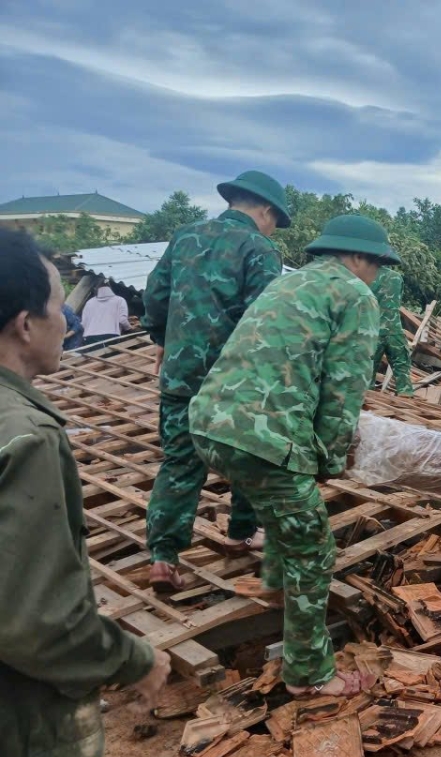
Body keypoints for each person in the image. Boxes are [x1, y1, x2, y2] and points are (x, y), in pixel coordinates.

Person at [0, 229, 170, 757]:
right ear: (23, 324)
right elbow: (35, 620)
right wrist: (132, 659)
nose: (65, 320)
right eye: (54, 306)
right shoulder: (27, 437)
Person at [190, 215, 392, 699]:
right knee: (314, 547)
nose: (378, 275)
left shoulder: (290, 282)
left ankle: (275, 585)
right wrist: (329, 458)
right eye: (378, 265)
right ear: (359, 258)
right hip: (264, 437)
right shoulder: (355, 295)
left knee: (284, 511)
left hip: (209, 424)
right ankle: (309, 674)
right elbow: (343, 389)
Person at [142, 170, 291, 591]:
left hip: (180, 375)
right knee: (246, 453)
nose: (272, 227)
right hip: (232, 380)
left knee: (179, 462)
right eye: (275, 219)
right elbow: (261, 319)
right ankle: (242, 531)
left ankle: (163, 555)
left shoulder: (185, 236)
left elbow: (155, 295)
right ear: (264, 210)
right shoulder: (260, 247)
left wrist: (162, 339)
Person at [369, 267, 413, 396]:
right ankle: (406, 399)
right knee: (402, 371)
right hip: (395, 329)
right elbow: (398, 298)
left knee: (367, 373)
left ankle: (366, 405)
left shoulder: (367, 275)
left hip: (374, 330)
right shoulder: (397, 277)